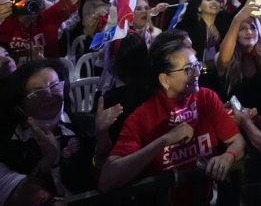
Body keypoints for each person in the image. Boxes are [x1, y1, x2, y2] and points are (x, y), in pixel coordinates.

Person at [99, 36, 246, 204]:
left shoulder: (206, 98)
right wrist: (164, 140)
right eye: (188, 69)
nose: (198, 73)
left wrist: (228, 156)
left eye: (197, 65)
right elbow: (107, 180)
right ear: (164, 80)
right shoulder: (143, 116)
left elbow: (237, 141)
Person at [0, 60, 122, 199]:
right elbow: (17, 197)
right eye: (38, 93)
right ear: (19, 105)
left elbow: (100, 180)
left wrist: (101, 139)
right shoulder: (9, 143)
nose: (49, 96)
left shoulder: (84, 125)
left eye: (54, 86)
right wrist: (47, 161)